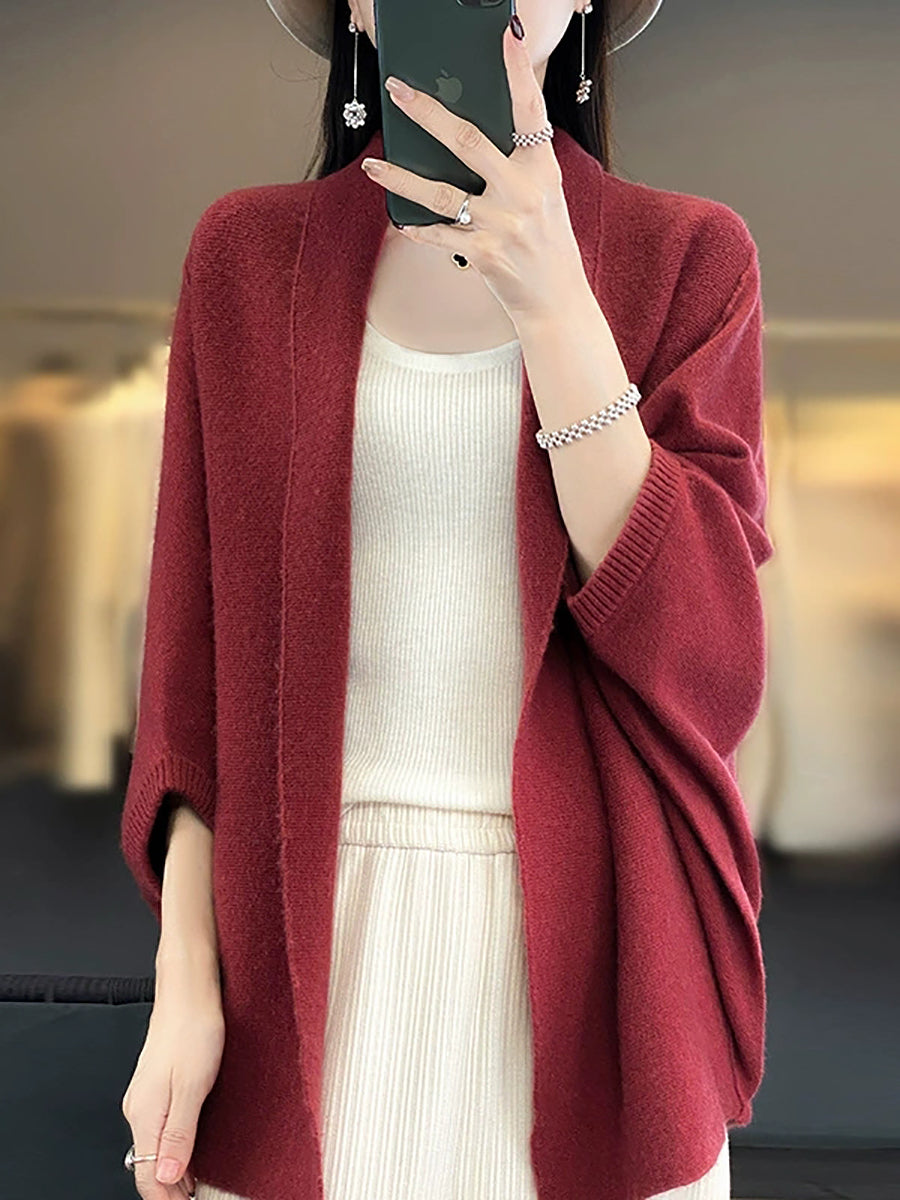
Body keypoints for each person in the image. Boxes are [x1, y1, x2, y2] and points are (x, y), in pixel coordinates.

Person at [121, 1, 772, 1198]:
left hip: (602, 977)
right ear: (359, 8)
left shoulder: (688, 256)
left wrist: (557, 303)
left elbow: (711, 660)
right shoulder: (244, 258)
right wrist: (184, 990)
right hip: (295, 972)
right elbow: (191, 682)